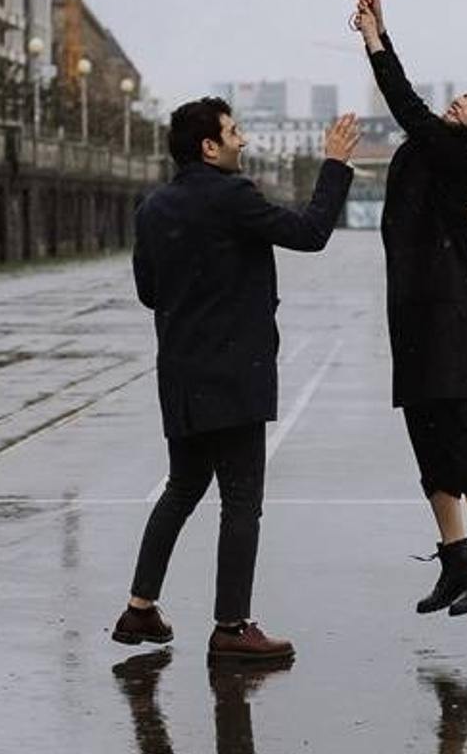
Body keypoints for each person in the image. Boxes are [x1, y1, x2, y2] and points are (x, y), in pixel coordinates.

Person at [112, 96, 360, 661]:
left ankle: (139, 608)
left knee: (181, 489)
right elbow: (311, 231)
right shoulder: (232, 196)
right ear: (209, 146)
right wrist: (335, 164)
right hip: (233, 376)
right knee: (241, 501)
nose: (241, 140)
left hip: (181, 373)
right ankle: (231, 627)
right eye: (233, 132)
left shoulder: (152, 208)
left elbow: (149, 292)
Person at [354, 0, 467, 616]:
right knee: (424, 431)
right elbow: (419, 115)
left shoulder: (463, 152)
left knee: (458, 426)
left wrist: (375, 38)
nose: (461, 99)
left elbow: (405, 103)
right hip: (411, 305)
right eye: (465, 94)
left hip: (447, 309)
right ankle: (455, 558)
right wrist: (379, 31)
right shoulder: (442, 142)